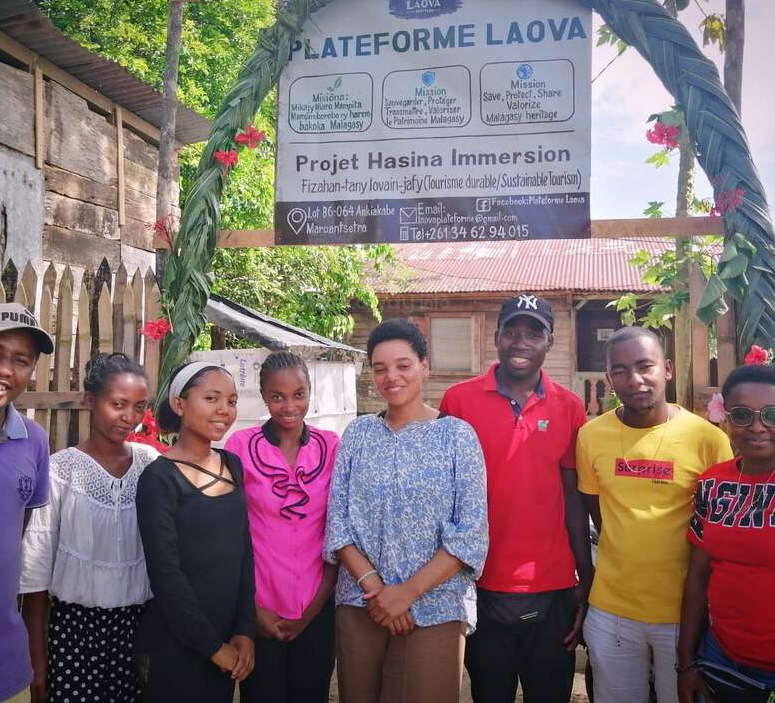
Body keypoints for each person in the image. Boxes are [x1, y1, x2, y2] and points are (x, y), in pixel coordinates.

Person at [324, 319, 488, 703]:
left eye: (403, 365)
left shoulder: (457, 436)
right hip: (361, 602)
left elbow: (470, 532)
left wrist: (406, 593)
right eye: (380, 368)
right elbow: (338, 520)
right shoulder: (358, 434)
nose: (391, 377)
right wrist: (377, 589)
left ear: (424, 366)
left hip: (436, 605)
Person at [440, 293, 592, 703]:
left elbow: (573, 499)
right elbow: (445, 495)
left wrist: (586, 577)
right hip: (480, 580)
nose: (521, 342)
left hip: (553, 586)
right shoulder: (458, 401)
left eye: (533, 334)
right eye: (511, 332)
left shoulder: (570, 408)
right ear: (496, 337)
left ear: (550, 342)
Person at [577, 326, 733, 703]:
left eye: (645, 366)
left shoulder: (708, 439)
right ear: (609, 379)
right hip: (612, 609)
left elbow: (720, 529)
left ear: (667, 369)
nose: (635, 379)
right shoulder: (591, 436)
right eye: (620, 371)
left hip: (684, 614)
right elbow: (598, 514)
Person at [21, 352, 158, 703]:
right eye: (118, 404)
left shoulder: (151, 467)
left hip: (139, 627)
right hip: (73, 632)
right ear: (89, 401)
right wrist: (37, 656)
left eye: (139, 407)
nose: (129, 417)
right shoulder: (60, 471)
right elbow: (36, 571)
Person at [133, 362, 256, 703]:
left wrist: (244, 629)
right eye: (211, 398)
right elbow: (166, 575)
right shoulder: (159, 479)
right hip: (176, 646)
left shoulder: (232, 465)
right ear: (179, 404)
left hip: (227, 641)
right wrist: (213, 648)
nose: (224, 409)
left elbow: (243, 551)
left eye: (231, 401)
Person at [225, 351, 339, 703]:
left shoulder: (333, 447)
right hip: (260, 610)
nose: (289, 406)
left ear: (310, 391)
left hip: (317, 609)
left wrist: (313, 611)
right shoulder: (239, 447)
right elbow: (231, 535)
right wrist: (252, 611)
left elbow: (337, 532)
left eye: (298, 394)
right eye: (277, 396)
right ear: (264, 396)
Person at [678, 363, 775, 701]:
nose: (758, 427)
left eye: (772, 414)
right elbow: (698, 575)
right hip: (720, 655)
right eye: (743, 414)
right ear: (726, 417)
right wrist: (685, 661)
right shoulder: (712, 483)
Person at [0, 302, 53, 703]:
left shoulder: (34, 441)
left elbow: (15, 532)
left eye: (21, 360)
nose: (4, 369)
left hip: (5, 670)